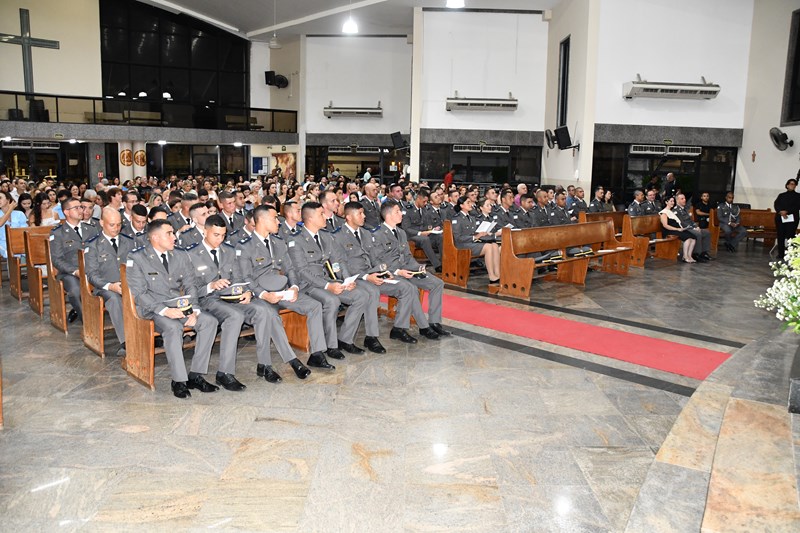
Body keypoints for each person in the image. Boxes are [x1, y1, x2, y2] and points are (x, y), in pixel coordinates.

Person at [187, 214, 288, 389]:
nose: (220, 239)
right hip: (207, 300)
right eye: (215, 235)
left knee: (263, 310)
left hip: (230, 297)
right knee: (234, 316)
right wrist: (210, 286)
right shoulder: (191, 254)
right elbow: (191, 288)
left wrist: (247, 291)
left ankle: (265, 365)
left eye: (223, 235)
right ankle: (225, 373)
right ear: (205, 231)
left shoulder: (229, 251)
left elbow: (240, 277)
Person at [125, 219, 220, 398]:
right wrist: (165, 311)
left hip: (179, 305)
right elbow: (139, 293)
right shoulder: (137, 258)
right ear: (155, 237)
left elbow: (190, 285)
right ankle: (179, 380)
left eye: (173, 233)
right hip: (153, 309)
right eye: (169, 233)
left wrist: (194, 310)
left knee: (209, 321)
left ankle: (196, 375)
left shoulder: (180, 255)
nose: (174, 237)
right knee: (173, 327)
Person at [235, 205, 331, 374]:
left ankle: (317, 353)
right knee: (271, 316)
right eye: (274, 218)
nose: (278, 222)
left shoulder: (278, 242)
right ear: (263, 220)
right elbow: (246, 278)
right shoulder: (245, 246)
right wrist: (264, 294)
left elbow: (290, 269)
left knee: (314, 306)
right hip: (260, 295)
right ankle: (289, 361)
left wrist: (294, 287)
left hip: (282, 290)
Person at [334, 201, 440, 346]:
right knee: (401, 288)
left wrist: (385, 272)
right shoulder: (338, 236)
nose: (364, 216)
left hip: (375, 273)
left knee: (412, 287)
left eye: (363, 212)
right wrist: (367, 276)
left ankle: (403, 328)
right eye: (360, 213)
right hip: (357, 277)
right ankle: (374, 336)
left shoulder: (365, 233)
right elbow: (341, 263)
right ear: (348, 217)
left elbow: (375, 258)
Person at [288, 202, 378, 355]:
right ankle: (331, 346)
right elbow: (302, 271)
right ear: (310, 219)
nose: (325, 217)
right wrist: (327, 286)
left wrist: (347, 280)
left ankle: (345, 339)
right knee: (332, 300)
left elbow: (339, 260)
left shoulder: (326, 236)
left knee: (361, 296)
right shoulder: (296, 240)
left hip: (330, 281)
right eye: (321, 214)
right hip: (309, 285)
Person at [370, 202, 449, 341]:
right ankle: (421, 327)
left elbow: (408, 256)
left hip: (407, 270)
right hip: (391, 273)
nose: (401, 213)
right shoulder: (377, 234)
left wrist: (418, 267)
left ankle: (434, 322)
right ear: (388, 215)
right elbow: (377, 262)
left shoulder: (401, 232)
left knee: (437, 283)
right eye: (397, 211)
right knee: (411, 288)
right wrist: (399, 272)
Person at [83, 207, 136, 356]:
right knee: (114, 299)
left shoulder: (129, 241)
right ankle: (126, 342)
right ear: (101, 223)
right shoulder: (93, 245)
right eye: (112, 224)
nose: (116, 228)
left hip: (128, 284)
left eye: (119, 224)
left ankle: (148, 333)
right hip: (105, 287)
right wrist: (111, 286)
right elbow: (92, 275)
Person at [50, 197, 96, 323]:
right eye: (77, 208)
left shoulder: (91, 229)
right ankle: (89, 324)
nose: (81, 210)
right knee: (76, 291)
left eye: (81, 207)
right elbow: (56, 259)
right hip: (69, 273)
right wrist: (75, 271)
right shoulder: (58, 233)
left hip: (92, 269)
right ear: (66, 212)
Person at [451, 197, 501, 284]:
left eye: (470, 202)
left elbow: (474, 232)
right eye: (468, 203)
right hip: (463, 245)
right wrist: (475, 237)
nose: (471, 204)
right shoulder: (457, 219)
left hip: (472, 243)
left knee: (495, 245)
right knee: (488, 247)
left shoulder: (471, 217)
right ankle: (491, 276)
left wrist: (482, 234)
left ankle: (498, 273)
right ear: (462, 205)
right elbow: (458, 238)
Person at [403, 188, 443, 271]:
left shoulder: (425, 209)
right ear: (418, 199)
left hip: (425, 233)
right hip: (412, 235)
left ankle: (444, 262)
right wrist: (420, 233)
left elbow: (428, 224)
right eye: (424, 201)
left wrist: (433, 229)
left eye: (426, 202)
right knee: (425, 239)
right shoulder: (407, 209)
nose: (425, 204)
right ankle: (437, 265)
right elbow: (406, 228)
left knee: (440, 237)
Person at [674, 193, 712, 261]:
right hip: (685, 229)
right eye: (682, 199)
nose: (684, 200)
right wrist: (693, 228)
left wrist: (696, 226)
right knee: (697, 234)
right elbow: (681, 223)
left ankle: (704, 252)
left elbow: (691, 220)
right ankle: (696, 254)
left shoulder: (685, 209)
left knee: (706, 232)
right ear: (677, 201)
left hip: (691, 227)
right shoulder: (676, 211)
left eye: (685, 198)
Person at [659, 196, 697, 263]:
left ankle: (689, 256)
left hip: (677, 229)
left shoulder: (671, 211)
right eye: (671, 201)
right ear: (666, 202)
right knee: (687, 238)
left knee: (693, 238)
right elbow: (665, 225)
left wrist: (681, 228)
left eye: (673, 201)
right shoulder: (663, 212)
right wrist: (677, 229)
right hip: (669, 231)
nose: (672, 203)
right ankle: (685, 257)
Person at [774, 178, 800, 260]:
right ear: (787, 185)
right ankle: (780, 254)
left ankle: (790, 255)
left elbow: (797, 206)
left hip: (792, 219)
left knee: (790, 237)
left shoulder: (798, 196)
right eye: (791, 184)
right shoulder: (781, 195)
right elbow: (776, 204)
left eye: (794, 184)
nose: (792, 185)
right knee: (780, 236)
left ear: (795, 186)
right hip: (781, 218)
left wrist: (787, 212)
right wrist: (781, 212)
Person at [0, 191, 27, 259]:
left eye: (0, 198)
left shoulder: (19, 214)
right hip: (2, 243)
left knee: (32, 250)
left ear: (8, 200)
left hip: (18, 241)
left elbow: (24, 230)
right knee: (11, 253)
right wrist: (10, 209)